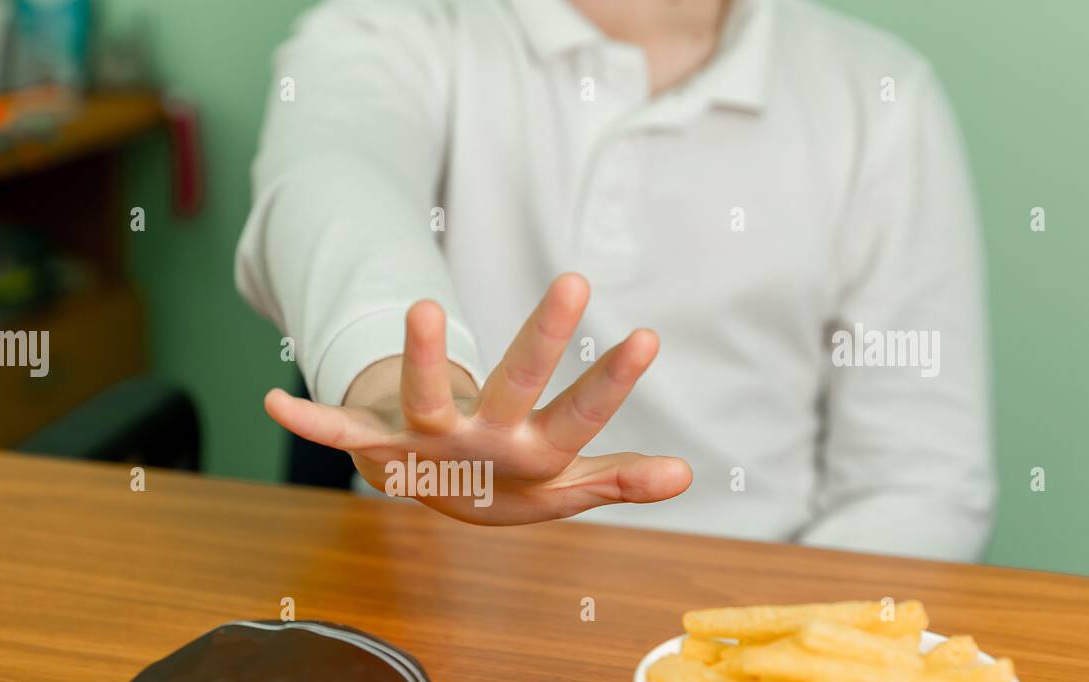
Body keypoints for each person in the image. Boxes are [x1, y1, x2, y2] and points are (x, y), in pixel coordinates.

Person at [236, 0, 994, 558]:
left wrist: (776, 675)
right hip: (427, 636)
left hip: (757, 642)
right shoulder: (399, 29)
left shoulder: (882, 101)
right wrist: (393, 384)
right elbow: (331, 178)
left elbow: (917, 485)